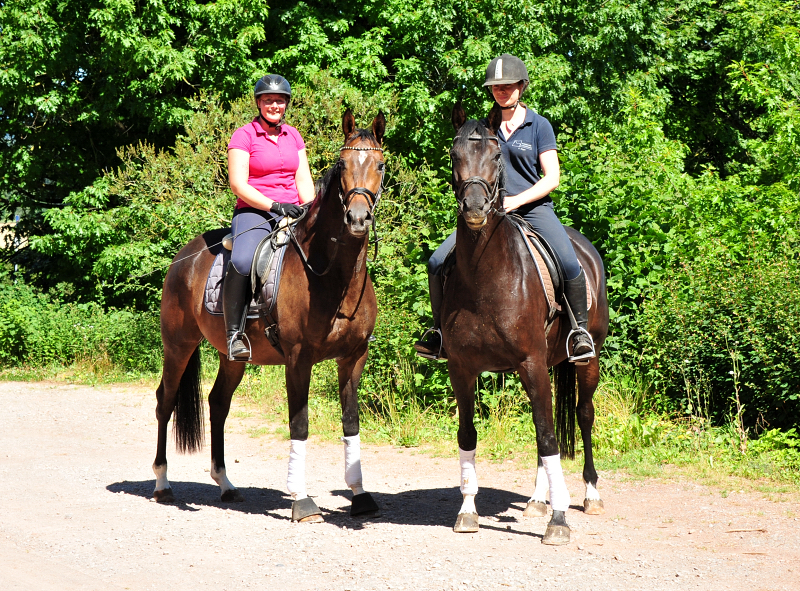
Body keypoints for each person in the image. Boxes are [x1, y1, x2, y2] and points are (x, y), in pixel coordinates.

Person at [414, 53, 595, 363]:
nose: (502, 91)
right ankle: (439, 333)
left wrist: (516, 201)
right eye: (496, 86)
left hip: (533, 209)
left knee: (568, 263)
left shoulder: (538, 125)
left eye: (508, 85)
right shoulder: (482, 128)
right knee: (436, 261)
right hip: (488, 214)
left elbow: (552, 177)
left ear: (521, 87)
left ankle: (579, 333)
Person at [224, 74, 316, 361]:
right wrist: (276, 206)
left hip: (294, 211)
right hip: (255, 211)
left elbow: (304, 179)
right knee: (242, 260)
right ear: (258, 103)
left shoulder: (294, 135)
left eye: (279, 100)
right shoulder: (244, 136)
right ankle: (234, 335)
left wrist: (309, 209)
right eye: (268, 100)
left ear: (286, 104)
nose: (274, 105)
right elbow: (238, 184)